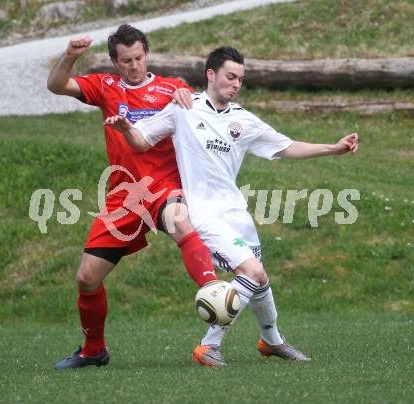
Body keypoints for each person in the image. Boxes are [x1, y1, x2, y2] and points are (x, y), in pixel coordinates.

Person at [105, 46, 359, 366]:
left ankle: (271, 341)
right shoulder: (184, 107)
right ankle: (209, 346)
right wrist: (126, 128)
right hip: (204, 213)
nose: (236, 83)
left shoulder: (244, 120)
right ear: (210, 75)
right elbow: (142, 139)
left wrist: (333, 149)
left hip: (236, 213)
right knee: (251, 271)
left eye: (240, 78)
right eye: (230, 76)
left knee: (260, 279)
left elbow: (286, 147)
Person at [47, 25, 218, 369]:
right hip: (124, 197)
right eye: (126, 61)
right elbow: (56, 85)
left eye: (139, 58)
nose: (134, 65)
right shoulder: (105, 87)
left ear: (147, 55)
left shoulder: (172, 88)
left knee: (179, 220)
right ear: (115, 61)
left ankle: (214, 290)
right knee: (87, 278)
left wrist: (190, 99)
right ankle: (94, 349)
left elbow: (201, 110)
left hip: (165, 187)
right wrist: (70, 56)